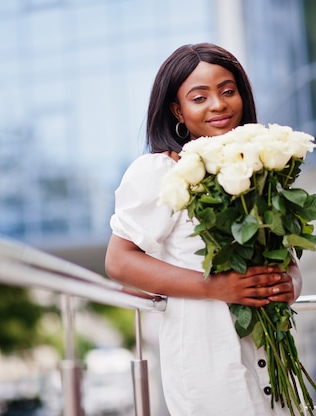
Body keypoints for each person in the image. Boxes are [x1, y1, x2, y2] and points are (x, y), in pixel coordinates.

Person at [105, 43, 302, 415]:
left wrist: (289, 284)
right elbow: (119, 261)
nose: (218, 104)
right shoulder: (159, 172)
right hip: (205, 354)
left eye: (228, 91)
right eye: (200, 97)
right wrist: (216, 287)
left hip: (269, 350)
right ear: (177, 110)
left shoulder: (260, 169)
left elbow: (287, 262)